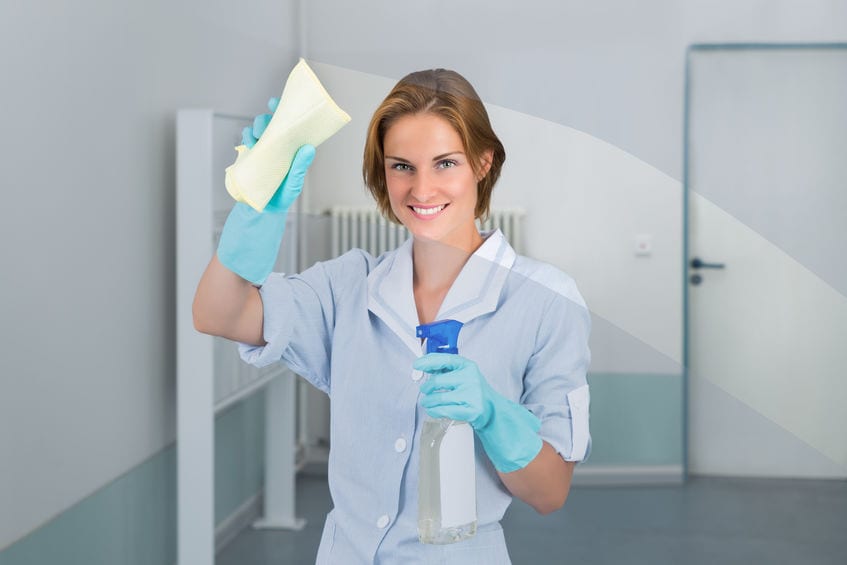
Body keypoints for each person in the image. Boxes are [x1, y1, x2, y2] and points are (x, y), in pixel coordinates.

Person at [193, 68, 591, 564]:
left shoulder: (546, 301)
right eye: (401, 166)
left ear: (483, 163)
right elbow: (217, 313)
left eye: (445, 163)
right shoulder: (348, 288)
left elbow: (550, 493)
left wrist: (493, 415)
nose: (421, 190)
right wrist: (257, 212)